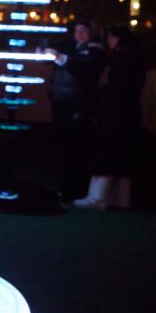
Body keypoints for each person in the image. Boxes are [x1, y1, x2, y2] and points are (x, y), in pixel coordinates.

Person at [74, 24, 147, 209]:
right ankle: (122, 199)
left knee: (105, 152)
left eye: (111, 38)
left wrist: (101, 95)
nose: (108, 41)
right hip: (129, 113)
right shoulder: (136, 59)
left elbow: (116, 86)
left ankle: (98, 197)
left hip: (114, 113)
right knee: (124, 156)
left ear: (118, 39)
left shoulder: (121, 60)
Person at [45, 19, 106, 200]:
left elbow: (81, 68)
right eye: (76, 31)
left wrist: (59, 57)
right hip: (63, 103)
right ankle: (70, 185)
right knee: (67, 147)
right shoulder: (74, 50)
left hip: (78, 105)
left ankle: (76, 187)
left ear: (91, 33)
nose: (79, 35)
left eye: (83, 31)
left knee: (76, 147)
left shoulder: (95, 51)